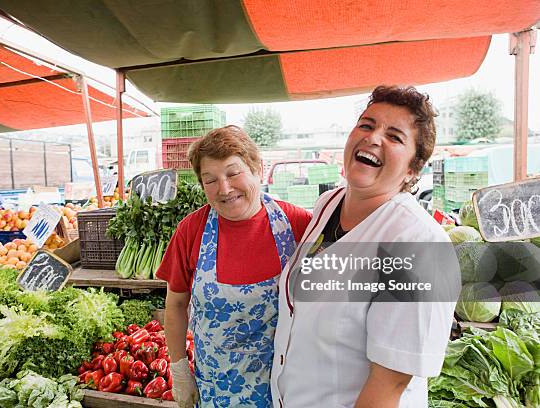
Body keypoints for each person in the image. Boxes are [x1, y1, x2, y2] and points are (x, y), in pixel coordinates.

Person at [271, 86, 459, 408]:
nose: (373, 138)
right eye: (367, 125)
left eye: (395, 136)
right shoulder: (328, 205)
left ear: (412, 170)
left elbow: (391, 382)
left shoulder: (416, 244)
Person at [157, 125, 312, 408]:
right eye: (210, 180)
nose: (224, 189)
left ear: (257, 169)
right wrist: (179, 368)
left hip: (285, 388)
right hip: (218, 388)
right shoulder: (192, 230)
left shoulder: (297, 224)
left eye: (233, 173)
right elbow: (176, 304)